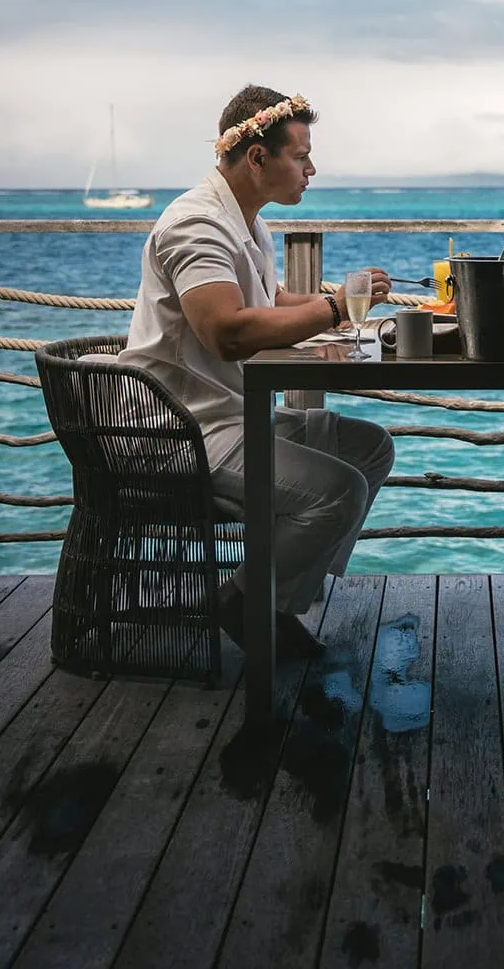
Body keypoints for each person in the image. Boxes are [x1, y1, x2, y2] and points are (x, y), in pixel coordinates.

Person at [119, 85, 395, 659]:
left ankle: (272, 598)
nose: (312, 168)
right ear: (258, 157)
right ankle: (243, 603)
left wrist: (338, 300)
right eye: (301, 155)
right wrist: (335, 309)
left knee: (370, 448)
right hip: (181, 431)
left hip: (235, 416)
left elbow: (272, 300)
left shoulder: (248, 222)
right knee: (338, 491)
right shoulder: (196, 226)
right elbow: (229, 332)